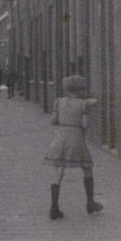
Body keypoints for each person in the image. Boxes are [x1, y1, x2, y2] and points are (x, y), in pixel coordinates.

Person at [43, 75, 103, 220]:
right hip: (76, 139)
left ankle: (54, 208)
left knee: (58, 172)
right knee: (87, 168)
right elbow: (84, 125)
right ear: (80, 89)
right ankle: (90, 202)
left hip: (61, 138)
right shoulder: (83, 104)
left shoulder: (59, 102)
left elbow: (52, 121)